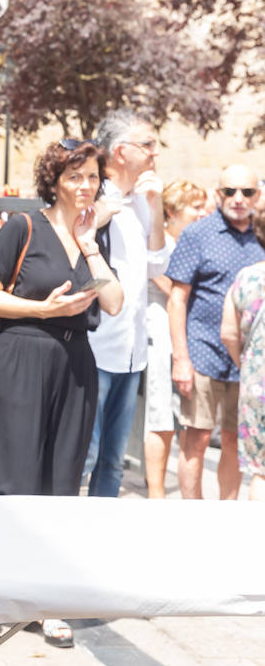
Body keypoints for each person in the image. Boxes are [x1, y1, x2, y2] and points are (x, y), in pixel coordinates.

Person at [0, 139, 123, 648]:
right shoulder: (24, 226)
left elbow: (116, 303)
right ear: (55, 179)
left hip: (76, 358)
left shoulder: (96, 235)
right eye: (76, 176)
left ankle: (48, 602)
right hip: (24, 352)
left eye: (93, 178)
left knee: (63, 479)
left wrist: (92, 245)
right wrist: (43, 310)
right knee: (16, 476)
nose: (86, 187)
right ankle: (2, 593)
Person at [167, 164, 265, 500]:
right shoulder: (198, 234)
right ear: (217, 193)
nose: (238, 199)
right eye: (229, 191)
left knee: (235, 440)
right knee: (196, 437)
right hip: (202, 353)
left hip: (251, 363)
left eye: (247, 192)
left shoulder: (262, 235)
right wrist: (181, 358)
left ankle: (228, 514)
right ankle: (193, 517)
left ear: (258, 194)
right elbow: (177, 299)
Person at [83, 111, 167, 497]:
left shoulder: (142, 201)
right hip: (96, 347)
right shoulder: (93, 199)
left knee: (114, 460)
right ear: (120, 152)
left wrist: (158, 205)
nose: (155, 153)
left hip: (132, 351)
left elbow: (158, 264)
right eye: (147, 145)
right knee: (88, 454)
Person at [144, 180, 210, 497]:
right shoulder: (160, 245)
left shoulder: (193, 243)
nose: (202, 214)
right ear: (171, 211)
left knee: (182, 417)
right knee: (160, 415)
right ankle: (156, 493)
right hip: (158, 332)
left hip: (183, 336)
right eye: (194, 207)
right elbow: (173, 290)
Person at [221, 207, 265, 502]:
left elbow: (228, 333)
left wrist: (246, 365)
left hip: (256, 383)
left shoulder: (247, 277)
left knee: (261, 472)